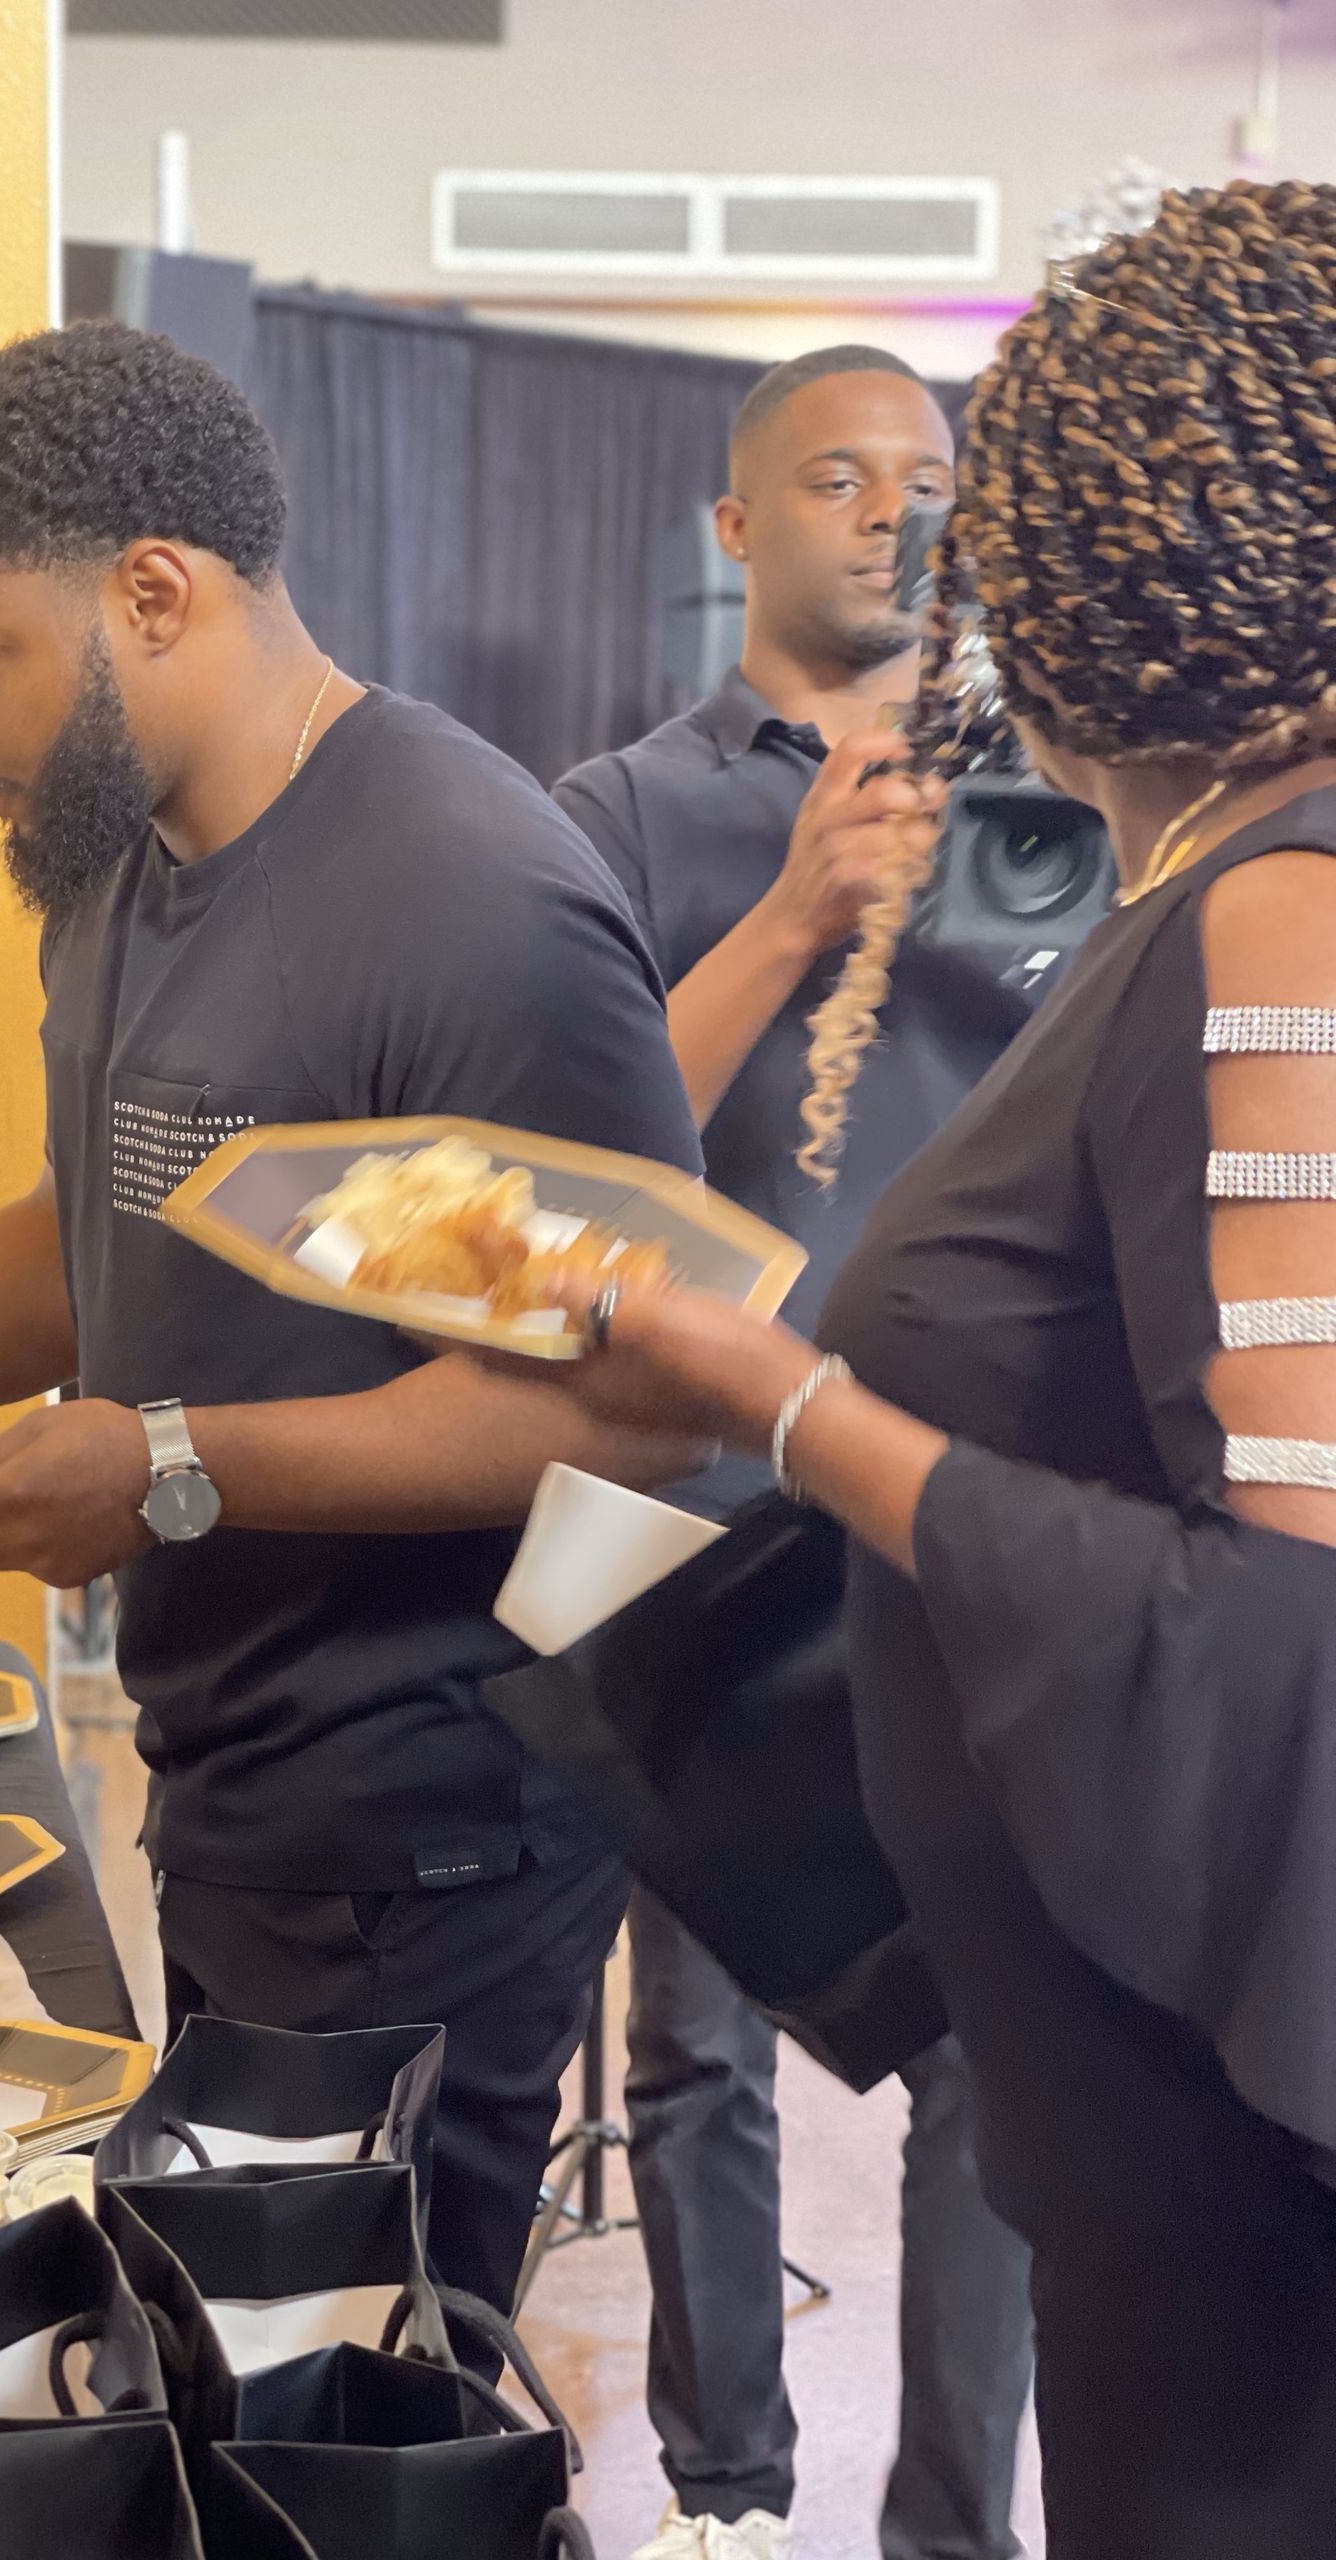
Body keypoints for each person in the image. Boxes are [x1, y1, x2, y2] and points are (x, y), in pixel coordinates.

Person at [0, 320, 712, 2336]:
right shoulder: (119, 865)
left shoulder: (468, 892)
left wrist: (169, 1459)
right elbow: (102, 1215)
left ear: (152, 592)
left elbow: (623, 1411)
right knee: (236, 2362)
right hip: (240, 1772)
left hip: (428, 1818)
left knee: (366, 2403)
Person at [529, 179, 1336, 2555]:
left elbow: (1289, 1627)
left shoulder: (1280, 902)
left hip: (1229, 2179)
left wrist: (785, 1399)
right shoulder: (1227, 874)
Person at [554, 349, 1034, 2560]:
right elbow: (564, 1163)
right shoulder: (622, 813)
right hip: (678, 1492)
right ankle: (727, 2499)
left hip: (949, 1488)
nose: (886, 513)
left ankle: (950, 2525)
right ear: (733, 525)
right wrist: (791, 915)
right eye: (832, 479)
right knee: (692, 2035)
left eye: (923, 479)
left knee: (980, 2047)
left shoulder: (1060, 800)